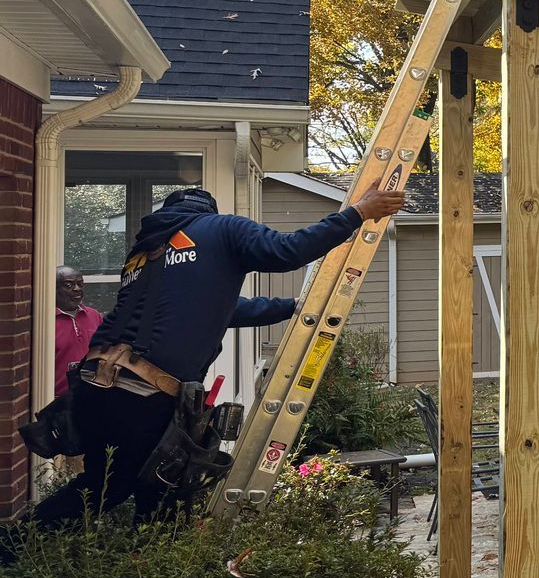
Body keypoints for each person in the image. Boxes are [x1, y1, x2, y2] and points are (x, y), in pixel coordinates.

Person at [30, 182, 407, 528]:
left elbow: (219, 309)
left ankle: (29, 546)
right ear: (207, 212)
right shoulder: (221, 228)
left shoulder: (145, 252)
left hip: (95, 385)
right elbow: (287, 250)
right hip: (142, 393)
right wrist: (357, 212)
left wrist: (292, 306)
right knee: (163, 494)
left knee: (104, 486)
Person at [51, 265, 102, 388]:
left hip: (93, 394)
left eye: (80, 284)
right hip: (56, 398)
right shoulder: (45, 321)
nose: (77, 289)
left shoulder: (95, 316)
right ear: (53, 288)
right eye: (69, 285)